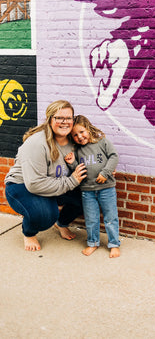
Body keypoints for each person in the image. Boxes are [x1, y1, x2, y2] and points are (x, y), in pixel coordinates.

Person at [4, 100, 87, 252]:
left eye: (68, 118)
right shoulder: (37, 143)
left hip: (54, 183)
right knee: (44, 215)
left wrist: (104, 171)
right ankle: (28, 232)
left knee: (89, 196)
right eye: (59, 118)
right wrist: (72, 181)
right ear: (50, 120)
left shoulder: (73, 139)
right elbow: (34, 184)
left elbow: (92, 156)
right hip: (21, 187)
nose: (64, 122)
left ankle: (61, 223)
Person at [64, 115, 120, 258]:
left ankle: (114, 244)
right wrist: (72, 163)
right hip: (87, 191)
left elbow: (113, 156)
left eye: (82, 132)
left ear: (88, 128)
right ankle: (93, 242)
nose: (80, 137)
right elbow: (79, 170)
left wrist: (106, 172)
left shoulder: (102, 142)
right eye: (75, 135)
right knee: (91, 218)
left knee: (110, 217)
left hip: (106, 188)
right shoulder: (77, 150)